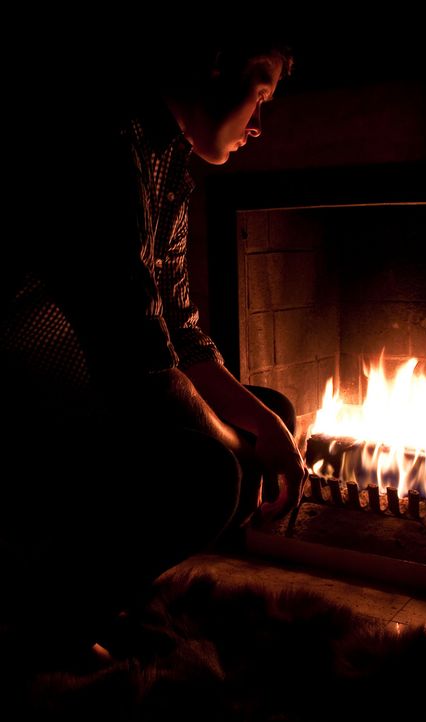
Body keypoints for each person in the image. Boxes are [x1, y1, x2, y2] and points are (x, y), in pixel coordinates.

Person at [0, 36, 307, 662]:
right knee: (215, 475)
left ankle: (97, 596)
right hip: (30, 399)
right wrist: (240, 450)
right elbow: (139, 357)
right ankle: (44, 630)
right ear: (215, 62)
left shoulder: (168, 160)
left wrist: (264, 424)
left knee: (269, 411)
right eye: (262, 94)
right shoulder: (106, 145)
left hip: (105, 387)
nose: (259, 126)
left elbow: (180, 329)